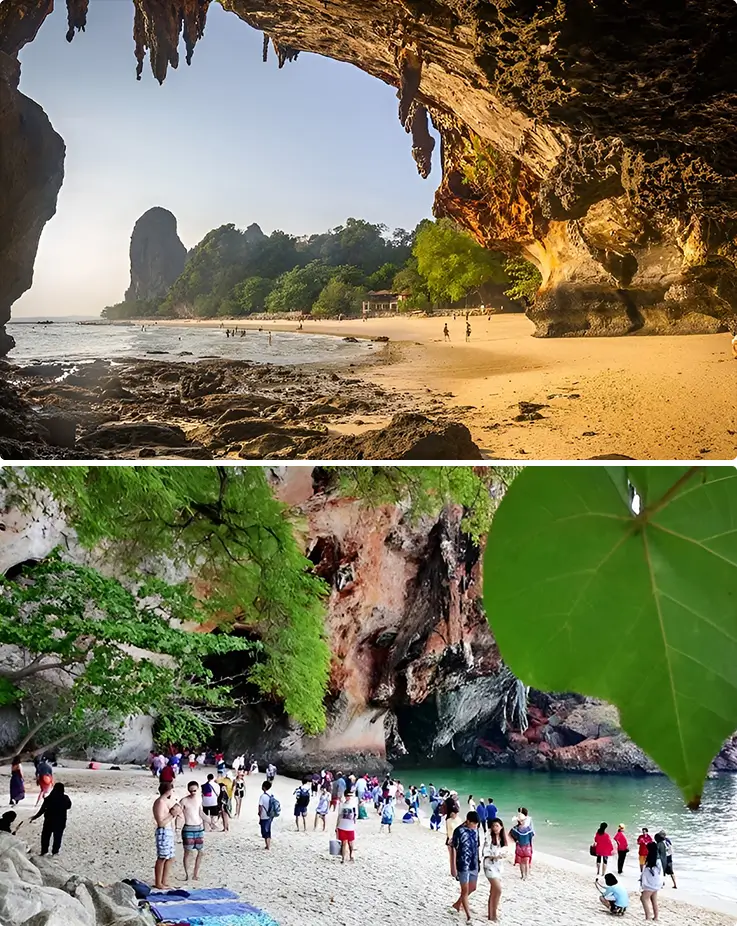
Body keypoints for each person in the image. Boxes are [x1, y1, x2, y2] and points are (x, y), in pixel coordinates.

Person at [451, 810, 480, 923]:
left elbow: (477, 846)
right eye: (473, 824)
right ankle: (469, 916)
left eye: (476, 824)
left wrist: (478, 862)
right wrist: (453, 867)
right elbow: (453, 848)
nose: (475, 826)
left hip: (473, 864)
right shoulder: (459, 831)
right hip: (462, 864)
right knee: (465, 890)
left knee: (473, 887)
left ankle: (457, 904)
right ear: (468, 821)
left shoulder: (476, 830)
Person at [152, 781, 182, 889]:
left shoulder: (166, 801)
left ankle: (164, 880)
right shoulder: (160, 802)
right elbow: (161, 822)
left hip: (169, 831)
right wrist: (172, 814)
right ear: (169, 791)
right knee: (162, 857)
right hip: (163, 831)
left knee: (170, 857)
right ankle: (158, 882)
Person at [31, 782, 72, 857]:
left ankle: (44, 851)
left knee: (45, 837)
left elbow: (42, 810)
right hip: (60, 821)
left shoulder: (49, 798)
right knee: (58, 837)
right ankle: (55, 852)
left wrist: (35, 817)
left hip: (49, 821)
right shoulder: (65, 798)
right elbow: (69, 806)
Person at [482, 817, 508, 923]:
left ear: (501, 827)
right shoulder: (489, 837)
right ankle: (492, 914)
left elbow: (506, 851)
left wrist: (502, 855)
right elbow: (485, 852)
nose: (495, 828)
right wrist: (494, 856)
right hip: (489, 865)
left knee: (493, 891)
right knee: (498, 889)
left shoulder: (502, 838)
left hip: (498, 867)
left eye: (497, 826)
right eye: (493, 826)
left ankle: (492, 914)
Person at [180, 781, 206, 882]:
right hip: (188, 828)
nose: (193, 793)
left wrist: (209, 822)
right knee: (188, 852)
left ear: (198, 789)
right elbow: (178, 813)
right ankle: (187, 874)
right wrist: (177, 828)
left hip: (198, 828)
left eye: (194, 791)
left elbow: (201, 813)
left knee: (201, 852)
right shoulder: (184, 801)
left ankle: (195, 873)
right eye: (191, 791)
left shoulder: (199, 799)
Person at [640, 841, 664, 921]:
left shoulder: (652, 859)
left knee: (644, 898)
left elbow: (649, 873)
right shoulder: (658, 859)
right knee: (654, 899)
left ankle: (648, 917)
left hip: (651, 883)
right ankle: (656, 917)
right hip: (657, 883)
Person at [510, 809, 534, 880]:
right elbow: (531, 836)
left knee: (521, 863)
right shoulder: (528, 829)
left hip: (519, 847)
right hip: (527, 847)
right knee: (526, 862)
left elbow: (511, 835)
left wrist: (516, 840)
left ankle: (522, 875)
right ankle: (526, 876)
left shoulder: (516, 829)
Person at [336, 787, 358, 863]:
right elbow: (339, 816)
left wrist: (355, 821)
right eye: (347, 796)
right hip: (342, 825)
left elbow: (355, 815)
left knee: (350, 843)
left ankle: (351, 855)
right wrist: (336, 826)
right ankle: (343, 858)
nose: (348, 797)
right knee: (343, 842)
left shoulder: (353, 805)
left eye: (350, 796)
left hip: (350, 826)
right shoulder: (342, 805)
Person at [258, 780, 278, 850]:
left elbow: (260, 807)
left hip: (264, 815)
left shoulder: (262, 796)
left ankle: (267, 845)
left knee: (264, 830)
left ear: (263, 787)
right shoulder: (271, 795)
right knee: (268, 829)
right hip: (270, 815)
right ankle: (268, 844)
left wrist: (259, 815)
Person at [446, 806, 461, 877]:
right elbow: (448, 831)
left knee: (458, 857)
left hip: (458, 840)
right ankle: (453, 872)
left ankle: (458, 871)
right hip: (450, 839)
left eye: (454, 814)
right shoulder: (448, 820)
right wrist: (450, 839)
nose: (453, 815)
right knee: (451, 857)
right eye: (451, 814)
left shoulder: (459, 820)